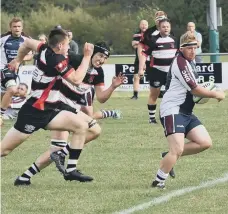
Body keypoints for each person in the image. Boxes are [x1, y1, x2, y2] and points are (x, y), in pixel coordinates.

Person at [13, 42, 125, 186]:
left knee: (94, 131)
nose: (102, 60)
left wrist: (113, 87)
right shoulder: (75, 60)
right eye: (100, 56)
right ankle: (59, 167)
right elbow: (54, 61)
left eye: (105, 58)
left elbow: (102, 97)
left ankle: (25, 177)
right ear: (92, 53)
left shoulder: (98, 72)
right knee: (60, 146)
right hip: (55, 106)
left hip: (70, 109)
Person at [1, 28, 102, 183]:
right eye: (67, 45)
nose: (69, 48)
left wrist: (18, 60)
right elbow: (75, 79)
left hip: (52, 108)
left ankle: (70, 170)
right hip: (34, 111)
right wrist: (87, 57)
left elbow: (27, 42)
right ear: (60, 46)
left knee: (82, 126)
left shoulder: (42, 47)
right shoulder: (56, 60)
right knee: (4, 150)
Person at [151, 31, 225, 189]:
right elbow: (195, 90)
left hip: (185, 112)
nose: (193, 51)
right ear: (181, 48)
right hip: (172, 110)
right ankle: (158, 181)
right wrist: (215, 93)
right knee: (177, 148)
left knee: (205, 142)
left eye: (195, 47)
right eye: (189, 48)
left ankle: (168, 156)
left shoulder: (191, 61)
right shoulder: (181, 62)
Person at [139, 19, 177, 124]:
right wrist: (141, 68)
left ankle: (169, 116)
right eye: (163, 27)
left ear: (170, 28)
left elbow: (178, 54)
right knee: (154, 95)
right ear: (159, 28)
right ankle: (152, 119)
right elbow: (144, 54)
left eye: (167, 27)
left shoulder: (174, 39)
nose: (166, 28)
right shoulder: (153, 40)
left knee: (172, 95)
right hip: (156, 71)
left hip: (170, 73)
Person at [0, 17, 33, 125]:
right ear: (10, 28)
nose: (17, 28)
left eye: (19, 26)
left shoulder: (26, 40)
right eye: (14, 26)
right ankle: (0, 115)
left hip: (14, 71)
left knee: (5, 93)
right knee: (13, 90)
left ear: (22, 27)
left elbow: (30, 55)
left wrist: (19, 60)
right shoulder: (3, 39)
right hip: (3, 68)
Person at [130, 20, 149, 100]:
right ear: (139, 25)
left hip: (150, 58)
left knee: (155, 76)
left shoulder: (151, 34)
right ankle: (135, 95)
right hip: (139, 58)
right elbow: (134, 45)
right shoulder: (136, 34)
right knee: (136, 77)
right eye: (142, 24)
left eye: (145, 24)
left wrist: (140, 44)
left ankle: (160, 93)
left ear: (147, 26)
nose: (144, 26)